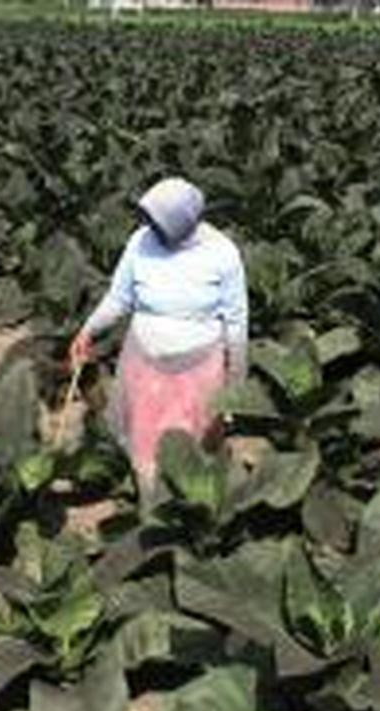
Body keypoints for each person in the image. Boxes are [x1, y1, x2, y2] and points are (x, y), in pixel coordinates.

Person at [69, 176, 248, 497]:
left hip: (199, 368)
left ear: (184, 221)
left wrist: (234, 390)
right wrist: (88, 329)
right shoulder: (140, 242)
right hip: (145, 363)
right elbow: (119, 299)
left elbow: (236, 325)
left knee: (191, 449)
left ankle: (184, 507)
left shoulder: (223, 253)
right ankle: (150, 505)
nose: (151, 226)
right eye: (149, 218)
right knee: (144, 441)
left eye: (160, 220)